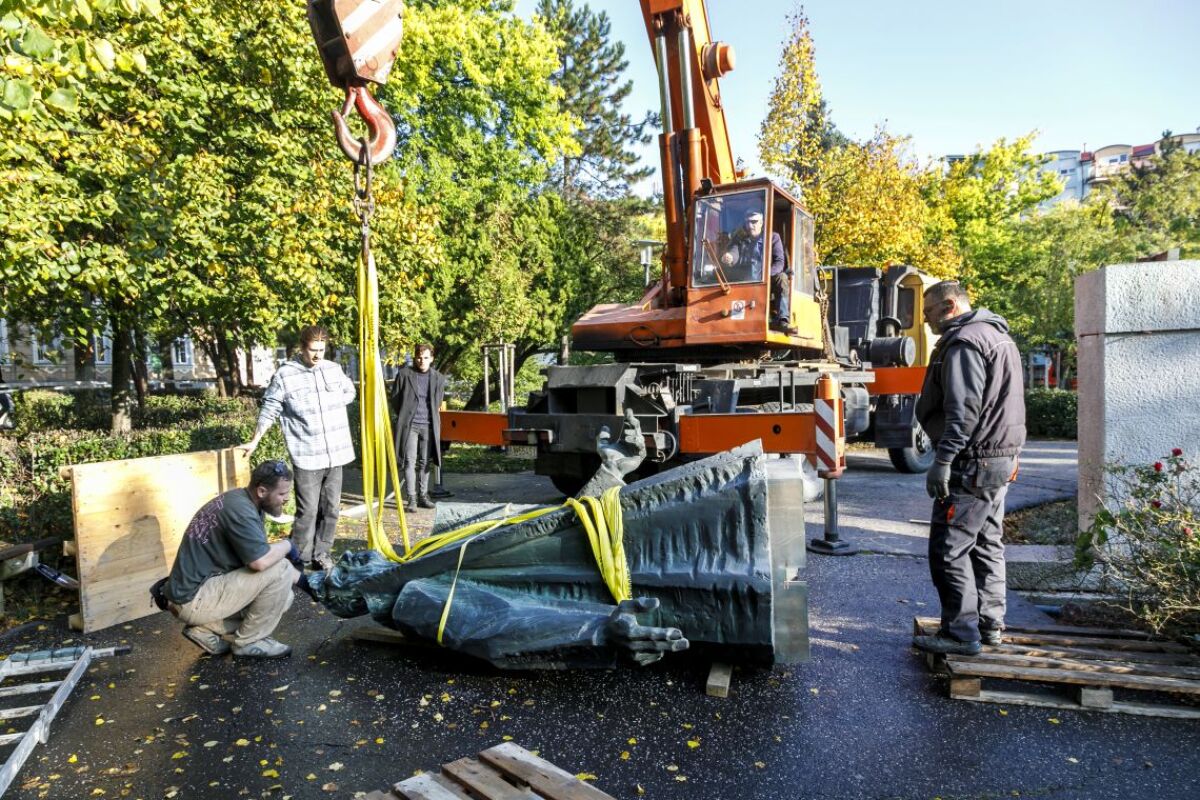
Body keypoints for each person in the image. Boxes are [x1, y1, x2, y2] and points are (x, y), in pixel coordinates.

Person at [912, 281, 1026, 656]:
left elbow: (963, 413)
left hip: (972, 463)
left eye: (928, 312)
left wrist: (942, 461)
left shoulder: (964, 343)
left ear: (949, 305)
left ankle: (961, 634)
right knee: (987, 544)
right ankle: (990, 625)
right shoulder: (998, 337)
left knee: (950, 548)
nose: (925, 321)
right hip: (997, 459)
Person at [162, 460, 308, 659]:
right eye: (282, 494)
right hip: (193, 599)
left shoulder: (242, 501)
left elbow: (262, 560)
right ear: (262, 491)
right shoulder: (240, 512)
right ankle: (249, 642)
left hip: (196, 593)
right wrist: (288, 545)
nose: (287, 499)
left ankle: (204, 629)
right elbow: (261, 562)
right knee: (281, 568)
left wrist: (307, 584)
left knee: (284, 596)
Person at [241, 325, 356, 572]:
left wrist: (332, 404)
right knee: (308, 511)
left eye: (322, 350)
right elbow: (270, 407)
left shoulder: (333, 370)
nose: (317, 355)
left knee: (332, 509)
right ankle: (299, 559)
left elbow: (350, 391)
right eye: (313, 350)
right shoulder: (286, 374)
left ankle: (322, 553)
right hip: (307, 454)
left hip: (336, 452)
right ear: (302, 348)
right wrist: (255, 439)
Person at [390, 343, 447, 512]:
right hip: (410, 425)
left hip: (429, 425)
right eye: (419, 357)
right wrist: (406, 414)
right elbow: (396, 399)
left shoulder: (438, 378)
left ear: (432, 359)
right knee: (409, 461)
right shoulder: (404, 375)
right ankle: (412, 498)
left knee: (425, 462)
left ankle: (423, 496)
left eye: (426, 358)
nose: (422, 361)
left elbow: (437, 401)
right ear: (415, 358)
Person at [721, 209, 794, 334]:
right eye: (748, 222)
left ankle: (782, 320)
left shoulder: (773, 237)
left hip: (767, 281)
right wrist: (729, 257)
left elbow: (779, 262)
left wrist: (765, 276)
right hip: (746, 281)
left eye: (754, 222)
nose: (750, 226)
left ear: (761, 223)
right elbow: (734, 253)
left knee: (781, 278)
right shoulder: (740, 240)